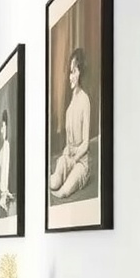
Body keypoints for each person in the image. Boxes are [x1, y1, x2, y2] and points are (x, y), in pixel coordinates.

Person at [50, 47, 91, 199]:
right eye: (70, 72)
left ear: (81, 72)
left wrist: (74, 158)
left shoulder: (85, 100)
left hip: (81, 162)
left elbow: (86, 143)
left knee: (63, 192)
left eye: (74, 72)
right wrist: (66, 153)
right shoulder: (69, 107)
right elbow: (68, 143)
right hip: (70, 158)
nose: (70, 77)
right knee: (53, 182)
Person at [0, 109, 13, 215]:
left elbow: (5, 171)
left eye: (4, 127)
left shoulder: (7, 146)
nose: (2, 131)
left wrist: (5, 192)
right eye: (1, 127)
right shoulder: (3, 148)